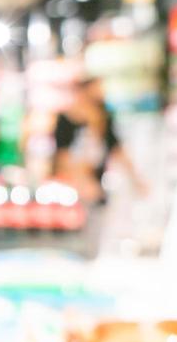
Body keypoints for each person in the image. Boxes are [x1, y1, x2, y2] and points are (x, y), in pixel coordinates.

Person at [52, 77, 146, 250]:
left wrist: (137, 180)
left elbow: (117, 150)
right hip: (72, 188)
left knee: (95, 232)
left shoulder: (103, 119)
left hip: (96, 188)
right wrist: (81, 181)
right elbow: (62, 156)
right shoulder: (64, 120)